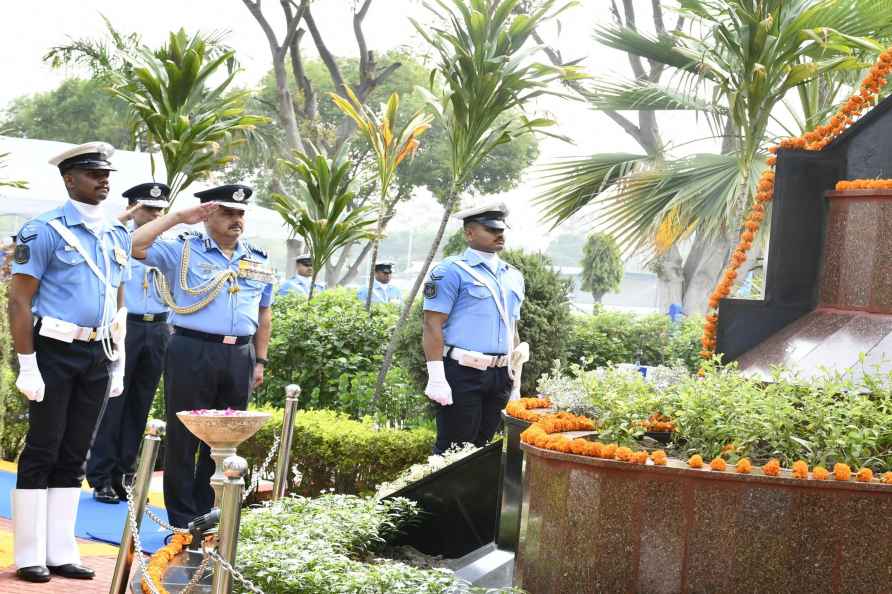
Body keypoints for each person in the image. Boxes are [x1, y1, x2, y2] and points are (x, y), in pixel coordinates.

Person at [8, 142, 130, 582]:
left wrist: (118, 360)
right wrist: (27, 363)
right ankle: (28, 554)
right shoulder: (42, 231)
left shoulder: (116, 234)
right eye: (93, 173)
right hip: (53, 349)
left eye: (106, 174)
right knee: (44, 447)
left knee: (76, 451)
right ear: (69, 179)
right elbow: (19, 301)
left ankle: (61, 550)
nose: (104, 180)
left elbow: (119, 301)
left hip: (99, 351)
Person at [131, 184, 274, 528]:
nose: (236, 219)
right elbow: (135, 244)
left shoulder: (258, 258)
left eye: (240, 213)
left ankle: (207, 513)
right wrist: (178, 217)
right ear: (208, 214)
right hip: (192, 349)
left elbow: (265, 312)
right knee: (185, 438)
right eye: (227, 212)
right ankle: (181, 520)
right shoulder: (182, 250)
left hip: (239, 353)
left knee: (225, 438)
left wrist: (260, 360)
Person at [87, 182, 172, 504]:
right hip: (126, 326)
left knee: (140, 403)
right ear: (133, 209)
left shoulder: (170, 244)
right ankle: (101, 477)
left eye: (159, 210)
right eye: (147, 209)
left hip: (158, 328)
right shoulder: (115, 238)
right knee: (114, 403)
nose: (154, 215)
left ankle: (126, 473)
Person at [421, 201, 526, 454]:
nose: (499, 234)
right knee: (452, 452)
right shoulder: (449, 271)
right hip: (463, 373)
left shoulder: (513, 275)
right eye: (490, 229)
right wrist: (436, 377)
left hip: (500, 375)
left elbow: (511, 327)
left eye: (501, 229)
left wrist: (515, 382)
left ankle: (468, 496)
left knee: (480, 451)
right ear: (469, 233)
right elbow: (432, 324)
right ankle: (441, 495)